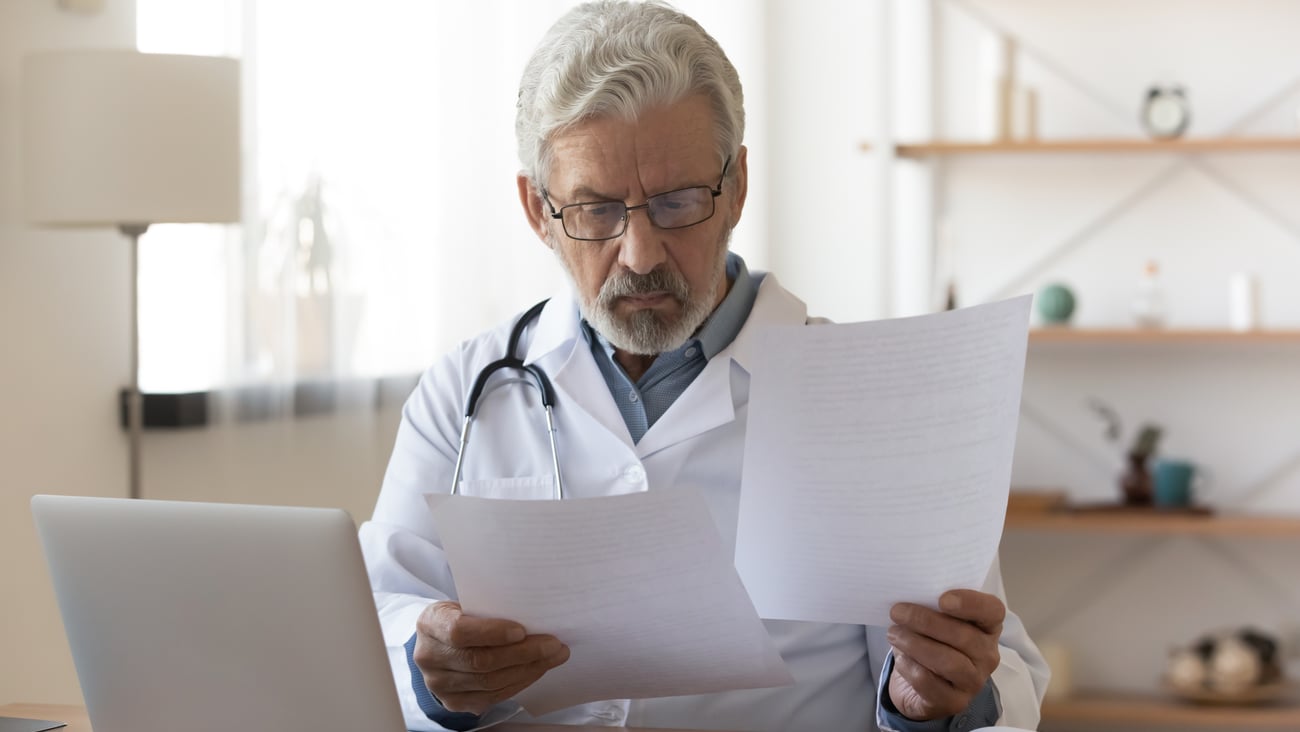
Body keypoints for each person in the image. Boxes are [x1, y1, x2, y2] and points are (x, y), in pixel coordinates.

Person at [359, 2, 1049, 730]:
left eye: (678, 202)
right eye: (596, 211)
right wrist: (430, 670)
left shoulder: (872, 402)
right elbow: (377, 616)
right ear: (538, 210)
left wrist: (941, 703)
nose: (641, 253)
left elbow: (987, 671)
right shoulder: (465, 389)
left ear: (738, 187)